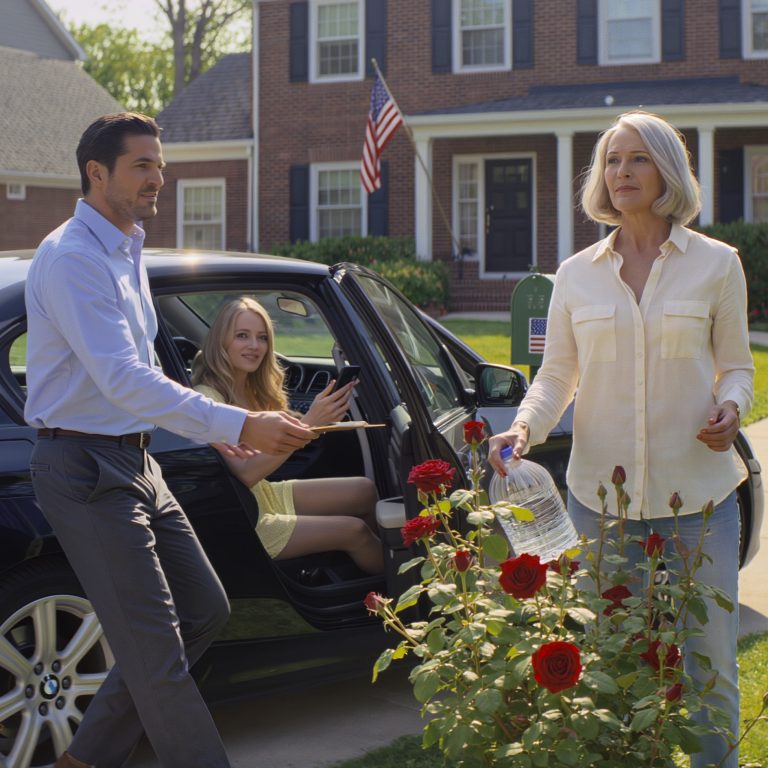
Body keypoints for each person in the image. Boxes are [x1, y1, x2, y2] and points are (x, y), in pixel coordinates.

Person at [24, 112, 317, 768]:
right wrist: (239, 423)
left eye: (160, 163)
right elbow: (123, 379)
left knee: (205, 610)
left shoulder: (126, 250)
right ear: (97, 173)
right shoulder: (74, 258)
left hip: (135, 459)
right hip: (83, 466)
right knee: (157, 661)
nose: (160, 177)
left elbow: (146, 375)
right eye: (143, 166)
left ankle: (83, 759)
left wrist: (213, 431)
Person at [488, 110, 753, 768]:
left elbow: (739, 367)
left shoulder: (718, 265)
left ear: (667, 169)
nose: (622, 172)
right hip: (601, 510)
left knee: (707, 663)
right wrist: (524, 426)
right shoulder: (576, 273)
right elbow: (558, 373)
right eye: (612, 159)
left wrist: (730, 407)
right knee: (613, 664)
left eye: (637, 158)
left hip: (701, 504)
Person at [191, 296, 385, 575]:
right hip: (248, 515)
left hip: (263, 494)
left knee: (364, 490)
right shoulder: (208, 399)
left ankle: (375, 570)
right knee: (354, 531)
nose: (254, 346)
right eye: (242, 336)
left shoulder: (250, 389)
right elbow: (244, 474)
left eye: (262, 338)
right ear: (221, 341)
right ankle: (402, 598)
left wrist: (317, 421)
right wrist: (308, 425)